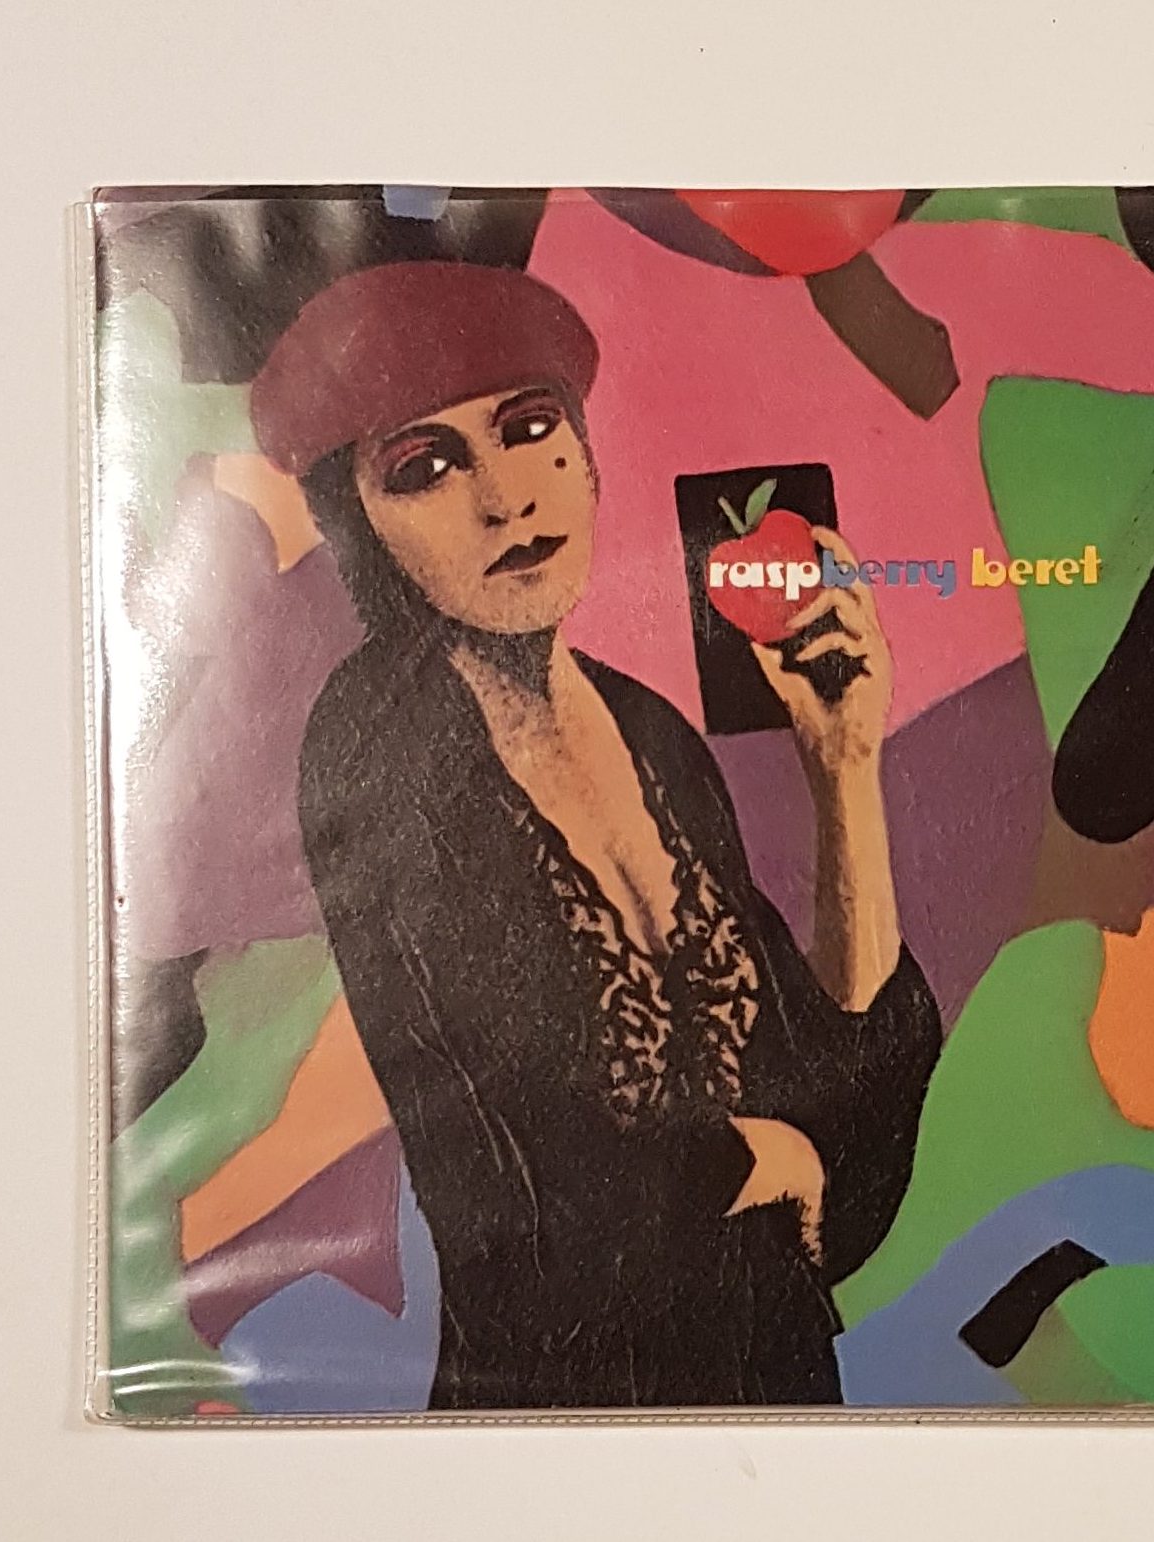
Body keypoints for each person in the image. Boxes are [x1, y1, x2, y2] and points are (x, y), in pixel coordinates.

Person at [253, 261, 941, 1409]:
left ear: (586, 450)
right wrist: (763, 1155)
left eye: (531, 430)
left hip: (774, 1379)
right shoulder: (375, 742)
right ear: (359, 525)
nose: (506, 499)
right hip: (563, 1403)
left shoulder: (652, 733)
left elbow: (836, 1092)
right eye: (425, 467)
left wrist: (843, 768)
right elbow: (524, 1160)